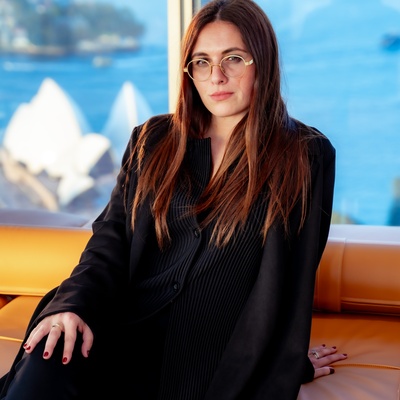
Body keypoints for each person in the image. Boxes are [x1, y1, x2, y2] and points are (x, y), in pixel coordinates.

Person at [0, 0, 346, 399]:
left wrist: (285, 364)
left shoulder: (304, 155)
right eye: (201, 62)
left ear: (262, 62)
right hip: (106, 335)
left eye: (233, 59)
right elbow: (110, 240)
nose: (216, 76)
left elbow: (287, 281)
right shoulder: (152, 140)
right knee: (43, 363)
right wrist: (71, 305)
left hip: (200, 364)